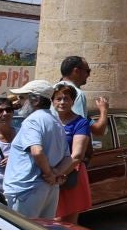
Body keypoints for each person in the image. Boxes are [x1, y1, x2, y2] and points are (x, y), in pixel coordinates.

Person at [4, 81, 77, 220]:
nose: (19, 103)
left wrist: (50, 174)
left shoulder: (33, 121)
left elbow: (37, 151)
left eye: (23, 97)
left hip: (26, 190)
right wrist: (54, 175)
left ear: (35, 100)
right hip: (48, 189)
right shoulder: (55, 121)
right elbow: (68, 158)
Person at [55, 94, 96, 224]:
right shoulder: (49, 120)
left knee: (67, 222)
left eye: (66, 98)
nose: (62, 102)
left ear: (73, 101)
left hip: (70, 172)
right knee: (50, 221)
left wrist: (59, 175)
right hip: (50, 173)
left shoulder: (80, 122)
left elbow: (77, 155)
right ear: (52, 101)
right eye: (58, 99)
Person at [59, 54, 110, 138]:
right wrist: (103, 110)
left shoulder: (52, 91)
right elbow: (80, 129)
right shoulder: (77, 94)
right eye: (87, 71)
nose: (88, 75)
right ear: (76, 71)